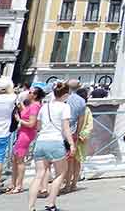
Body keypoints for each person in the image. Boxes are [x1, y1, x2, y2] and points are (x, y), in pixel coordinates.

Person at [27, 81, 73, 211]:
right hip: (56, 141)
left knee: (39, 175)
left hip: (41, 141)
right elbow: (66, 128)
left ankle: (31, 207)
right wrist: (71, 143)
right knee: (60, 174)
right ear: (65, 95)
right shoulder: (65, 107)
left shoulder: (44, 107)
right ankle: (50, 204)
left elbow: (38, 126)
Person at [10, 87, 44, 195]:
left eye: (30, 92)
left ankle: (18, 185)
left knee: (19, 159)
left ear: (35, 95)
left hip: (26, 133)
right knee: (15, 158)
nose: (28, 94)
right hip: (24, 132)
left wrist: (19, 120)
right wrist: (21, 108)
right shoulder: (33, 105)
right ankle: (14, 184)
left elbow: (31, 123)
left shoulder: (34, 106)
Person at [61, 80, 87, 194]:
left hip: (60, 130)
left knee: (59, 159)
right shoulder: (81, 101)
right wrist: (78, 132)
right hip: (72, 131)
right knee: (70, 159)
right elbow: (81, 119)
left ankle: (61, 181)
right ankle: (68, 185)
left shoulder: (63, 97)